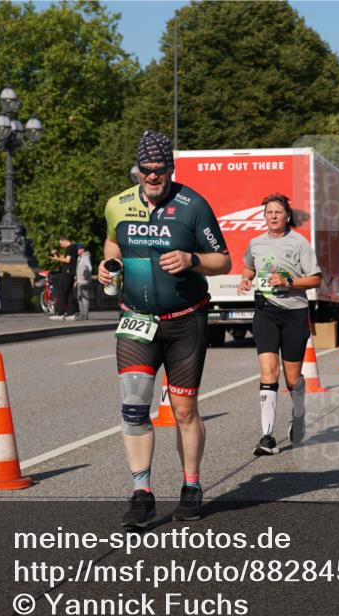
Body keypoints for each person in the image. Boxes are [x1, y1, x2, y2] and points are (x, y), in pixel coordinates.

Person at [98, 130, 231, 527]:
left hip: (185, 319)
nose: (153, 178)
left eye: (160, 171)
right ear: (137, 170)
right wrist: (109, 268)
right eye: (146, 171)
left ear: (171, 169)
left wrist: (191, 259)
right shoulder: (117, 205)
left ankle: (191, 485)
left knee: (184, 408)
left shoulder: (193, 206)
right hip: (136, 321)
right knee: (134, 408)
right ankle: (142, 493)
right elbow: (112, 244)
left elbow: (222, 261)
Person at [238, 193, 322, 456]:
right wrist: (245, 280)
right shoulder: (256, 243)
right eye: (269, 212)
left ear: (287, 216)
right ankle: (267, 436)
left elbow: (316, 279)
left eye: (277, 212)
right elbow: (249, 268)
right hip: (265, 312)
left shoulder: (299, 243)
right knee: (268, 373)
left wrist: (289, 283)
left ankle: (298, 416)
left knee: (293, 379)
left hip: (294, 314)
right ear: (264, 217)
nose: (273, 216)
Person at [50, 236, 79, 321]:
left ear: (65, 240)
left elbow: (67, 260)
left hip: (67, 273)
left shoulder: (69, 248)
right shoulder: (74, 248)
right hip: (71, 273)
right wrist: (58, 254)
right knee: (69, 293)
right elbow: (67, 258)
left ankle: (60, 313)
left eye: (61, 243)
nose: (61, 245)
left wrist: (57, 258)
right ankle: (71, 313)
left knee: (61, 292)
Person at [75, 244, 92, 320]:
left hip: (84, 282)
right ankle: (82, 314)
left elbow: (89, 267)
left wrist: (86, 273)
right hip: (79, 281)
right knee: (80, 298)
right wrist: (76, 280)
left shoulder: (85, 257)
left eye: (78, 249)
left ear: (82, 249)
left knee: (85, 298)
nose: (77, 251)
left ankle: (85, 315)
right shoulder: (80, 258)